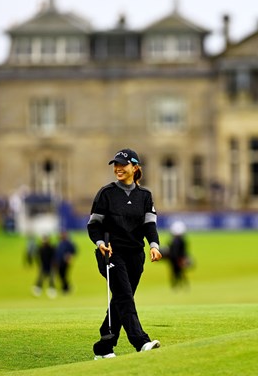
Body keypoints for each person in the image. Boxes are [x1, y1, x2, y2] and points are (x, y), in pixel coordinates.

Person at [87, 148, 163, 359]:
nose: (118, 168)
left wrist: (154, 245)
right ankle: (141, 342)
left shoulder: (145, 196)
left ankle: (104, 347)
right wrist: (100, 242)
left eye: (123, 165)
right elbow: (94, 225)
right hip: (111, 253)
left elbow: (149, 225)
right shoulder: (106, 193)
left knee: (121, 300)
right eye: (116, 165)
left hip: (135, 256)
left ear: (135, 167)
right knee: (125, 298)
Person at [167, 221, 190, 289]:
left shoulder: (173, 240)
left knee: (176, 272)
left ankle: (176, 285)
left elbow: (172, 250)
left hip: (175, 259)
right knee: (180, 272)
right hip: (178, 258)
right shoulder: (181, 240)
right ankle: (181, 284)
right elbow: (183, 251)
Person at [33, 234, 57, 298]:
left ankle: (52, 290)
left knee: (51, 279)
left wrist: (54, 264)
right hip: (43, 265)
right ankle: (38, 289)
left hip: (50, 265)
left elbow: (54, 257)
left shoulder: (51, 248)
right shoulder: (40, 249)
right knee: (40, 278)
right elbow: (37, 257)